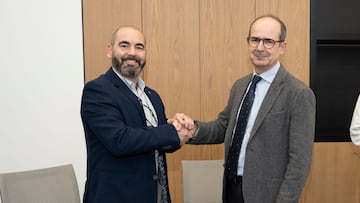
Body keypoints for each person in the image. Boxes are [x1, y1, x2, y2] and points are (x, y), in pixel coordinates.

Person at [170, 14, 316, 203]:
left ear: (282, 47)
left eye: (268, 41)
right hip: (231, 189)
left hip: (268, 196)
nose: (260, 47)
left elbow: (300, 162)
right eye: (255, 40)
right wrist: (193, 130)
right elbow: (223, 126)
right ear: (248, 42)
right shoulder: (241, 86)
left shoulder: (298, 93)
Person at [80, 26, 191, 203]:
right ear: (110, 51)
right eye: (124, 45)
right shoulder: (97, 90)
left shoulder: (152, 95)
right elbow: (119, 140)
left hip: (155, 195)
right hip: (115, 197)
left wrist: (181, 130)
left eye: (139, 47)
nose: (132, 53)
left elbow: (158, 140)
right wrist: (170, 131)